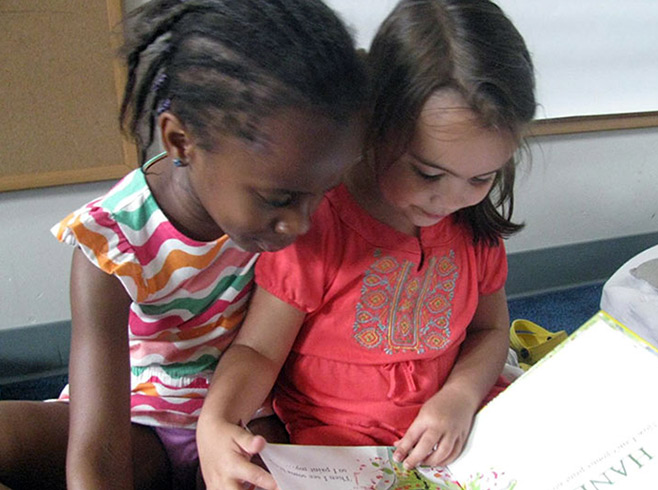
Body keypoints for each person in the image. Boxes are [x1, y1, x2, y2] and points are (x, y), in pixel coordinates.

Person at [0, 1, 366, 488]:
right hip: (137, 421)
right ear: (180, 141)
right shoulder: (111, 244)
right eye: (277, 199)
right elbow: (98, 445)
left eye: (321, 194)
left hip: (249, 420)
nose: (302, 224)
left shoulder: (298, 193)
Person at [196, 0, 537, 488]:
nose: (450, 199)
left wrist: (459, 395)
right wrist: (217, 420)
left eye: (481, 177)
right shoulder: (317, 224)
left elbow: (489, 332)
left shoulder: (471, 228)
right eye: (428, 173)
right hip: (339, 448)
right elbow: (257, 350)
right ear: (375, 124)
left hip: (460, 428)